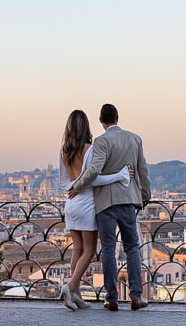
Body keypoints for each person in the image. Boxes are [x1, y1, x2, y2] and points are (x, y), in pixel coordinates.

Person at [67, 103, 151, 311]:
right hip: (129, 200)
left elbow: (94, 170)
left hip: (105, 203)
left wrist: (76, 186)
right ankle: (136, 297)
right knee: (132, 248)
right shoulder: (135, 139)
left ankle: (111, 298)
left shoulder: (101, 141)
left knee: (108, 250)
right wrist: (145, 196)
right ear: (118, 117)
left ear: (101, 121)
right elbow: (143, 171)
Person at [57, 109, 131, 310]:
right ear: (86, 126)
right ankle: (70, 287)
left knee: (77, 249)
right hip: (88, 202)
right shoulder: (90, 148)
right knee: (89, 251)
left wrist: (73, 187)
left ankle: (76, 295)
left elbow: (63, 181)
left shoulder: (64, 150)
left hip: (71, 203)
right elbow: (94, 178)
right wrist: (119, 175)